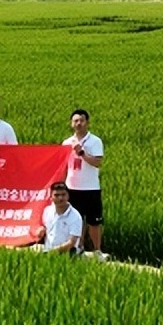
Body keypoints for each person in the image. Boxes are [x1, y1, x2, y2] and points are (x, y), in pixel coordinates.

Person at [62, 108, 105, 258]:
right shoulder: (67, 142)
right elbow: (63, 166)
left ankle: (97, 250)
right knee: (76, 220)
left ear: (87, 122)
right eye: (75, 121)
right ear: (71, 123)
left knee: (94, 222)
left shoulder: (95, 141)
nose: (78, 123)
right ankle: (77, 248)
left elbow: (97, 162)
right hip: (72, 188)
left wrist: (81, 153)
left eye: (81, 120)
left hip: (91, 188)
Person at [35, 182, 83, 255]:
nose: (60, 198)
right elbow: (46, 227)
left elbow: (72, 242)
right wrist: (42, 229)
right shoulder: (47, 211)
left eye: (63, 195)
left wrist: (52, 252)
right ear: (51, 197)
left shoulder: (75, 216)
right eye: (56, 195)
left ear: (68, 196)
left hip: (67, 254)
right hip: (48, 251)